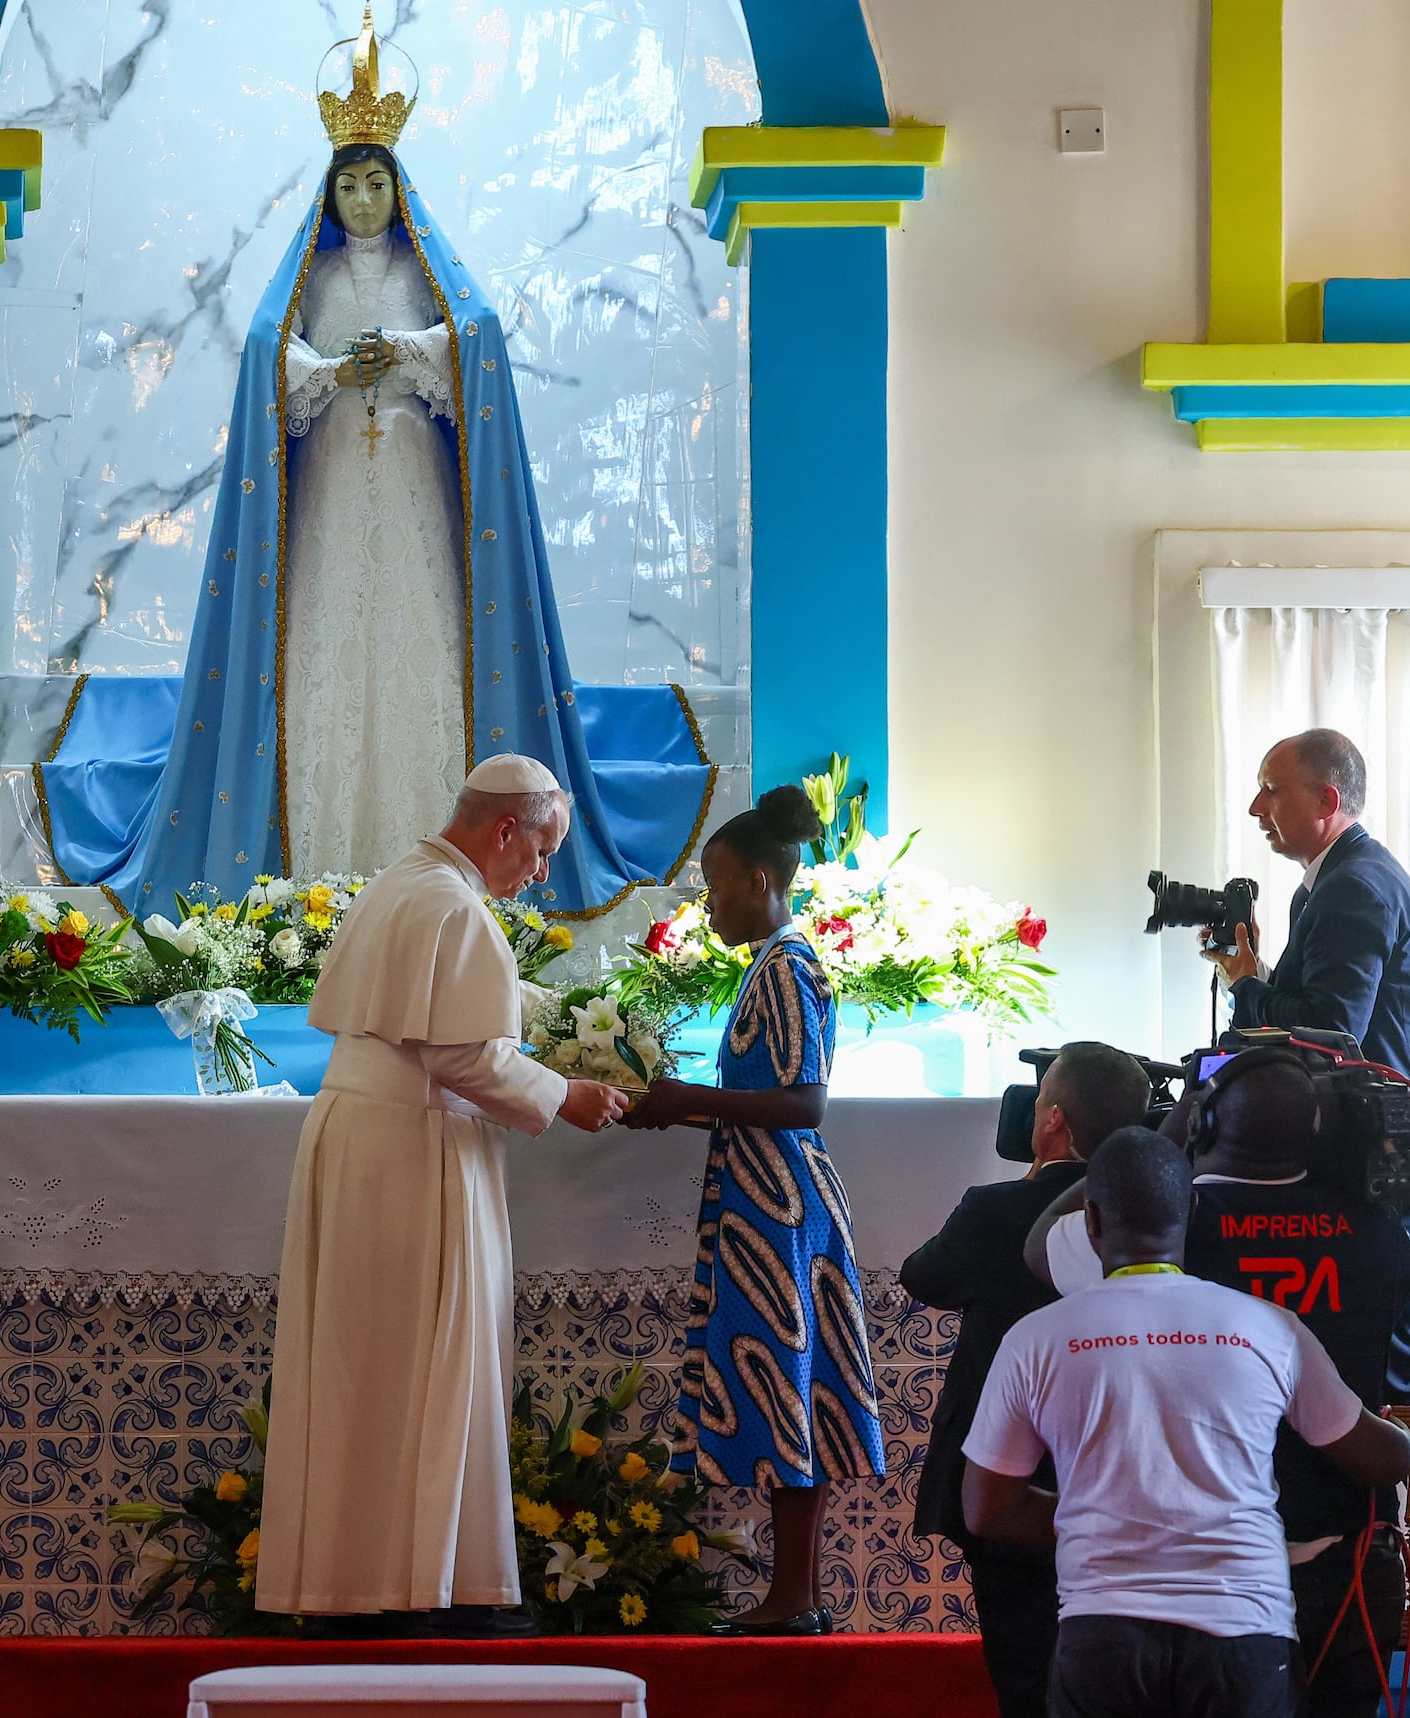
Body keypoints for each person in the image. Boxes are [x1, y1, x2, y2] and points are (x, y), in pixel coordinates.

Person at [120, 9, 688, 911]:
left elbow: (479, 345)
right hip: (333, 495)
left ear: (398, 189)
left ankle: (436, 883)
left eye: (377, 184)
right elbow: (275, 359)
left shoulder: (431, 278)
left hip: (418, 487)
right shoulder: (312, 281)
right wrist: (337, 367)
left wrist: (422, 351)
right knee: (329, 659)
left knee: (420, 652)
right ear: (331, 195)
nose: (363, 201)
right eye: (349, 187)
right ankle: (322, 881)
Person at [254, 754, 630, 1636]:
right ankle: (420, 1588)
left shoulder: (406, 882)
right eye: (540, 852)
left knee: (366, 1368)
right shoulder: (450, 903)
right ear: (505, 828)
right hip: (411, 1147)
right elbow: (462, 1056)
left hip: (373, 1137)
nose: (540, 874)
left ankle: (357, 1578)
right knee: (422, 1360)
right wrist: (565, 1094)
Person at [1201, 728, 1410, 1608]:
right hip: (1385, 1162)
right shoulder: (1334, 883)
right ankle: (1390, 1567)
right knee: (1372, 1367)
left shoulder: (1355, 886)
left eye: (1272, 790)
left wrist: (1253, 986)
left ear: (1327, 800)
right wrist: (1251, 976)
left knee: (1393, 1371)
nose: (1257, 809)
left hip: (1397, 1166)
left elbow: (1329, 1030)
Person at [965, 1130, 1410, 1718]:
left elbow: (987, 1509)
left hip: (1103, 1633)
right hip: (1244, 1635)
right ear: (1193, 1210)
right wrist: (1407, 1442)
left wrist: (1112, 1515)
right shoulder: (1267, 1327)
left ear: (1092, 1221)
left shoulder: (1035, 1339)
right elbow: (1374, 1459)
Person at [621, 787, 885, 1635]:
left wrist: (686, 1096)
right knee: (787, 1395)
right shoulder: (773, 964)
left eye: (717, 886)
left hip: (782, 1203)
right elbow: (762, 1094)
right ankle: (793, 1596)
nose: (710, 903)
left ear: (761, 878)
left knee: (790, 1393)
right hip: (761, 1192)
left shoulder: (789, 967)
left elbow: (805, 1103)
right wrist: (668, 1103)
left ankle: (794, 1598)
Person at [897, 1041, 1156, 1718]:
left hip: (1008, 1483)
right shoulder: (1155, 1219)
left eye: (1040, 1104)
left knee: (1024, 1673)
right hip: (1121, 1475)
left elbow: (924, 1276)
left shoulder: (993, 1212)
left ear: (1053, 1122)